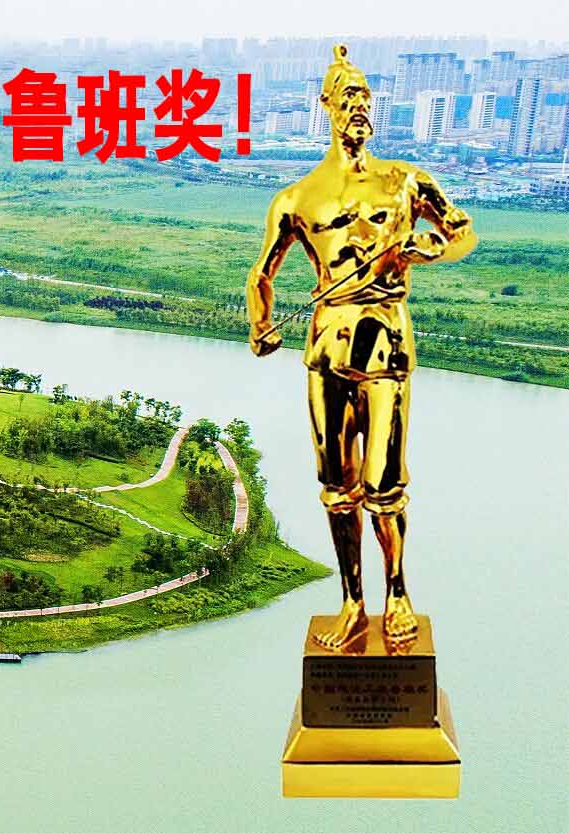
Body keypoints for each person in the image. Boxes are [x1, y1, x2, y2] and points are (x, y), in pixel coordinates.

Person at [245, 45, 475, 651]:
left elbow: (460, 231)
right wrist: (260, 324)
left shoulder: (404, 181)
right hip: (327, 346)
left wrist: (432, 249)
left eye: (366, 98)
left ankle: (397, 593)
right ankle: (353, 602)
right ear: (326, 105)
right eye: (348, 97)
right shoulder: (297, 198)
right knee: (337, 488)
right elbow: (262, 274)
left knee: (384, 486)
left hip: (386, 342)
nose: (359, 107)